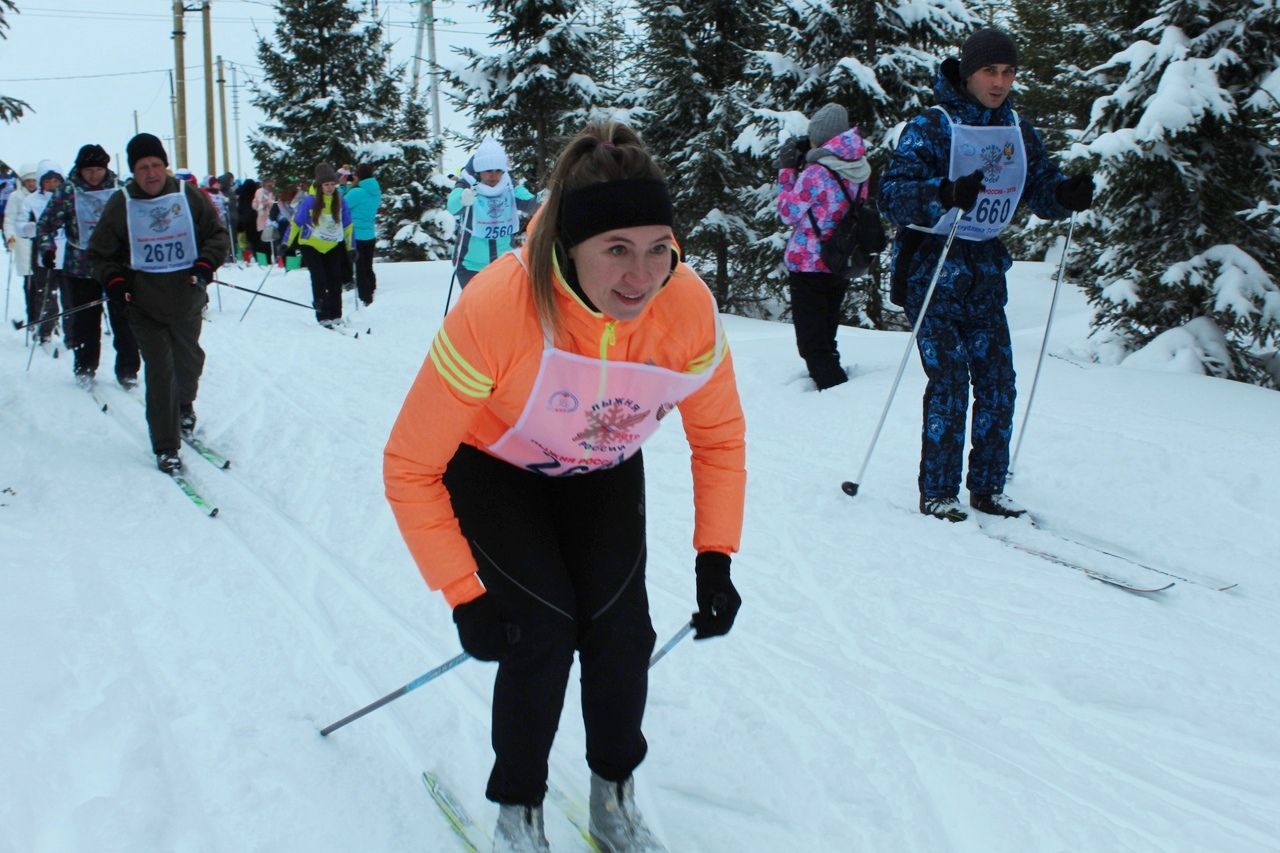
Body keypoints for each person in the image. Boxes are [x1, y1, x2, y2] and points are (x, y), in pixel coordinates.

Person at [384, 120, 746, 853]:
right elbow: (409, 464)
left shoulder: (687, 311)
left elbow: (719, 438)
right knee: (539, 633)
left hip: (600, 466)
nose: (640, 276)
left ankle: (613, 794)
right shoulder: (499, 307)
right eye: (615, 250)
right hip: (495, 467)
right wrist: (464, 594)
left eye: (656, 249)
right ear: (569, 245)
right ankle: (519, 809)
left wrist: (716, 556)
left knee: (621, 633)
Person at [879, 27, 1094, 522]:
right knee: (950, 381)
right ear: (969, 71)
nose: (999, 82)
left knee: (999, 381)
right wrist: (944, 192)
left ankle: (988, 488)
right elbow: (891, 193)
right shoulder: (932, 125)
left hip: (984, 273)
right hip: (932, 273)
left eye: (1008, 72)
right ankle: (938, 492)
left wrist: (1065, 196)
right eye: (989, 71)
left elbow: (1040, 188)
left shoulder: (1018, 129)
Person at [87, 133, 231, 474]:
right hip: (144, 304)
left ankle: (184, 405)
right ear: (133, 172)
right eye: (142, 168)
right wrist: (116, 280)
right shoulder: (121, 202)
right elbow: (99, 253)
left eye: (155, 165)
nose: (150, 173)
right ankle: (166, 445)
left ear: (165, 166)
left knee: (188, 361)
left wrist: (205, 264)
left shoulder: (187, 194)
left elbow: (217, 235)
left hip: (187, 297)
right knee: (160, 372)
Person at [774, 103, 873, 390]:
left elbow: (787, 212)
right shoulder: (859, 166)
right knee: (826, 332)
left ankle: (834, 393)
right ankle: (832, 377)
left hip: (809, 263)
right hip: (839, 260)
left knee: (812, 342)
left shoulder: (816, 173)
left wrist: (787, 171)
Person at [36, 144, 141, 388]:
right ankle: (85, 366)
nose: (94, 175)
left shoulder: (120, 190)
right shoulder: (68, 191)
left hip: (118, 266)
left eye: (98, 169)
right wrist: (47, 248)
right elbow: (46, 224)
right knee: (85, 321)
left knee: (124, 320)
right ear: (79, 170)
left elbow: (138, 221)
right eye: (88, 170)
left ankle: (128, 369)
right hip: (80, 266)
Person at [446, 137, 539, 287]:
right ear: (479, 170)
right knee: (476, 308)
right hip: (470, 265)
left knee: (500, 308)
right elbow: (452, 207)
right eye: (488, 170)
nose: (493, 176)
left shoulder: (508, 184)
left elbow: (530, 204)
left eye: (498, 171)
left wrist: (544, 198)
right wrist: (463, 199)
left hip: (503, 264)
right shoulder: (467, 183)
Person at [287, 162, 352, 327]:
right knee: (319, 278)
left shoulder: (339, 200)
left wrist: (351, 248)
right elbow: (296, 223)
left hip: (332, 244)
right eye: (326, 185)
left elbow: (348, 225)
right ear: (319, 185)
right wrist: (285, 243)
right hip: (311, 245)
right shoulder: (310, 201)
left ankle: (336, 314)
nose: (330, 188)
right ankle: (322, 315)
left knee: (335, 280)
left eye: (332, 184)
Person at [21, 161, 65, 347]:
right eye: (48, 181)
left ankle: (71, 333)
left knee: (70, 296)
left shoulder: (68, 198)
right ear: (41, 182)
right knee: (46, 293)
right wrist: (34, 228)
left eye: (56, 180)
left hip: (68, 253)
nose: (52, 184)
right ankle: (45, 330)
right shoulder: (31, 201)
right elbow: (21, 226)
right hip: (43, 253)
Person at [342, 163, 381, 306]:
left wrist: (343, 187)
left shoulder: (357, 192)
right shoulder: (375, 191)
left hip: (356, 235)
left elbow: (342, 205)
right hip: (370, 233)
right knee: (368, 265)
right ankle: (372, 287)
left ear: (358, 176)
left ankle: (365, 296)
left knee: (359, 267)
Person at [3, 163, 38, 310]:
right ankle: (32, 314)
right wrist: (10, 236)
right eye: (28, 181)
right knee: (29, 281)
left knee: (44, 280)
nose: (31, 183)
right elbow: (9, 219)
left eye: (33, 180)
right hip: (23, 242)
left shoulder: (43, 196)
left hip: (41, 242)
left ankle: (47, 317)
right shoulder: (16, 197)